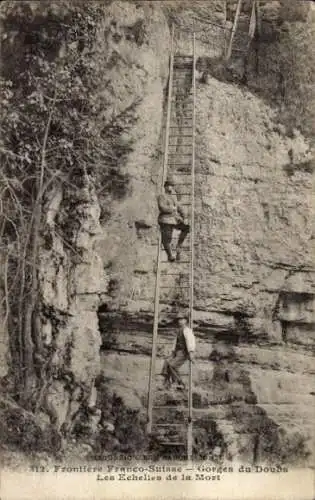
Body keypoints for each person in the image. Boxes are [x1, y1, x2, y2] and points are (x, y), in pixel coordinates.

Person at [157, 177, 190, 262]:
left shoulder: (174, 197)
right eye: (168, 186)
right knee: (167, 238)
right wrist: (172, 208)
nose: (170, 187)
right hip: (165, 220)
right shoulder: (161, 196)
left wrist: (185, 217)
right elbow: (162, 208)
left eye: (171, 186)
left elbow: (179, 207)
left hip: (174, 219)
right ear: (165, 187)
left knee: (186, 227)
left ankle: (179, 246)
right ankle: (170, 255)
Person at [161, 314, 196, 390]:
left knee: (172, 365)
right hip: (177, 352)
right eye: (179, 320)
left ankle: (179, 382)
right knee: (166, 362)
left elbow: (190, 342)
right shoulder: (179, 331)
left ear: (186, 320)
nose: (180, 321)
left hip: (183, 352)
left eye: (182, 319)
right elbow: (175, 342)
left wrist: (191, 353)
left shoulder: (187, 330)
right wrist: (172, 352)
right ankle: (167, 382)